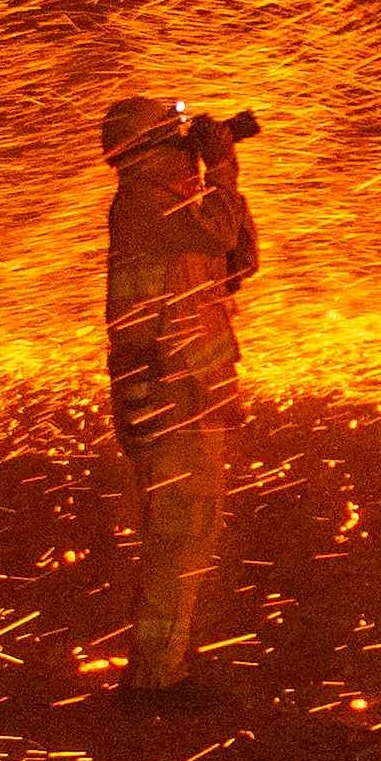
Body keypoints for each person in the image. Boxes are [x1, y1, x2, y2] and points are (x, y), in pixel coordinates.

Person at [98, 94, 259, 702]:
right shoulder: (142, 203)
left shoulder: (173, 205)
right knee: (174, 539)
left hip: (193, 395)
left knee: (190, 537)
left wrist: (224, 173)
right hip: (167, 397)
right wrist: (221, 167)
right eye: (180, 140)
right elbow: (216, 227)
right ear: (153, 149)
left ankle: (165, 669)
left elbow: (238, 257)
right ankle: (153, 681)